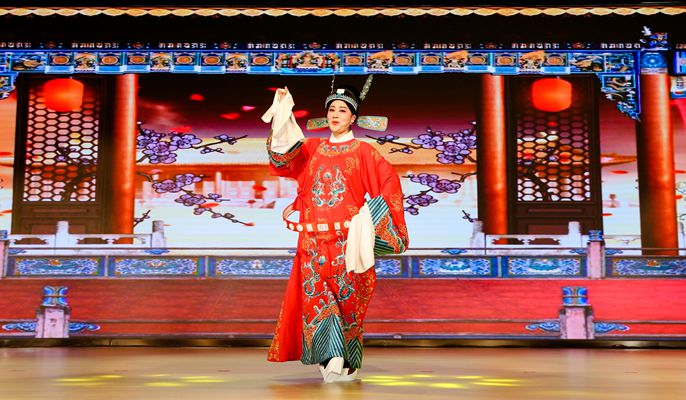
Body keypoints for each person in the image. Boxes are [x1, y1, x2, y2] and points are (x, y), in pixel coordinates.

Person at [262, 80, 409, 383]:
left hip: (346, 241)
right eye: (332, 109)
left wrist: (369, 216)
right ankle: (330, 356)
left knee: (347, 302)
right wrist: (283, 112)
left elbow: (390, 184)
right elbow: (283, 154)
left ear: (353, 117)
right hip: (313, 242)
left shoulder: (364, 152)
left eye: (343, 110)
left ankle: (345, 359)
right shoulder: (312, 149)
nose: (335, 115)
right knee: (318, 298)